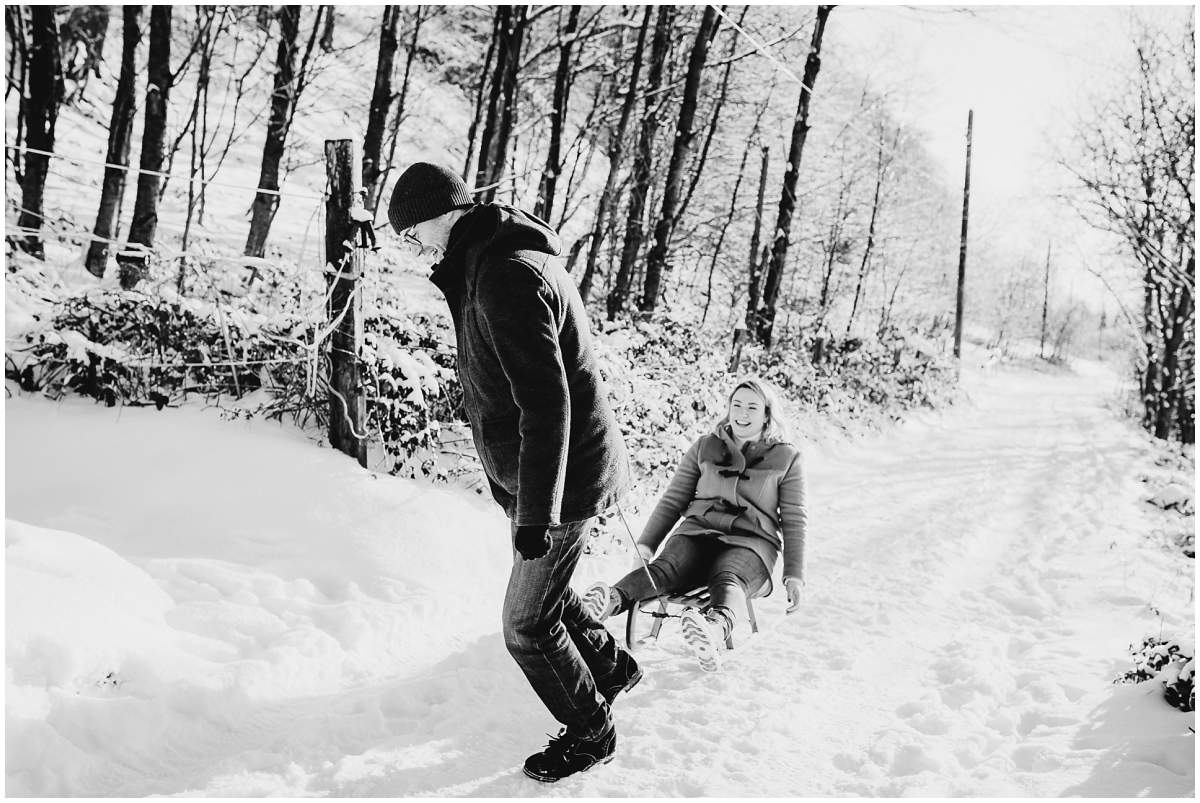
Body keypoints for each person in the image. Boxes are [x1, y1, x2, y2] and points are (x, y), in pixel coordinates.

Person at [387, 162, 639, 783]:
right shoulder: (484, 259)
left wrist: (537, 515)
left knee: (526, 625)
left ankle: (590, 730)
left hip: (560, 480)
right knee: (546, 592)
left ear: (443, 214)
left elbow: (548, 404)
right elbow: (513, 369)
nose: (409, 245)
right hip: (544, 473)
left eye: (410, 231)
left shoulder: (505, 273)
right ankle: (610, 667)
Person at [583, 377, 807, 672]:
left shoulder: (786, 457)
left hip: (751, 543)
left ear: (767, 414)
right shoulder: (705, 447)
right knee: (665, 569)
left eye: (752, 407)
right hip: (698, 532)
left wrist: (794, 575)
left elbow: (794, 518)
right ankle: (606, 602)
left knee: (730, 577)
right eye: (737, 404)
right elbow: (673, 500)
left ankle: (712, 631)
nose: (742, 412)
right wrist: (646, 545)